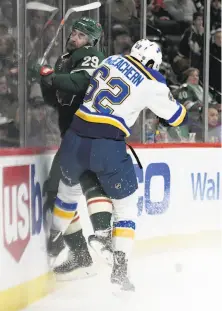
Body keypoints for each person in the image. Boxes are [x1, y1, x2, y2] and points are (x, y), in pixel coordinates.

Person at [50, 39, 187, 291]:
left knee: (67, 194)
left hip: (74, 138)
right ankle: (120, 270)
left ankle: (53, 242)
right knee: (126, 209)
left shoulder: (110, 60)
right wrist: (176, 101)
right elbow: (176, 117)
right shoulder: (152, 81)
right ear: (152, 62)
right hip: (107, 146)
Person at [33, 17, 113, 278]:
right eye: (74, 33)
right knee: (66, 191)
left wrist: (51, 76)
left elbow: (80, 84)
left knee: (59, 189)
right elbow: (57, 99)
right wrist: (45, 79)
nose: (74, 38)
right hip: (74, 136)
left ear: (91, 40)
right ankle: (84, 250)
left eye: (80, 35)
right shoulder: (66, 58)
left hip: (85, 137)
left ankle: (89, 246)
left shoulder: (90, 55)